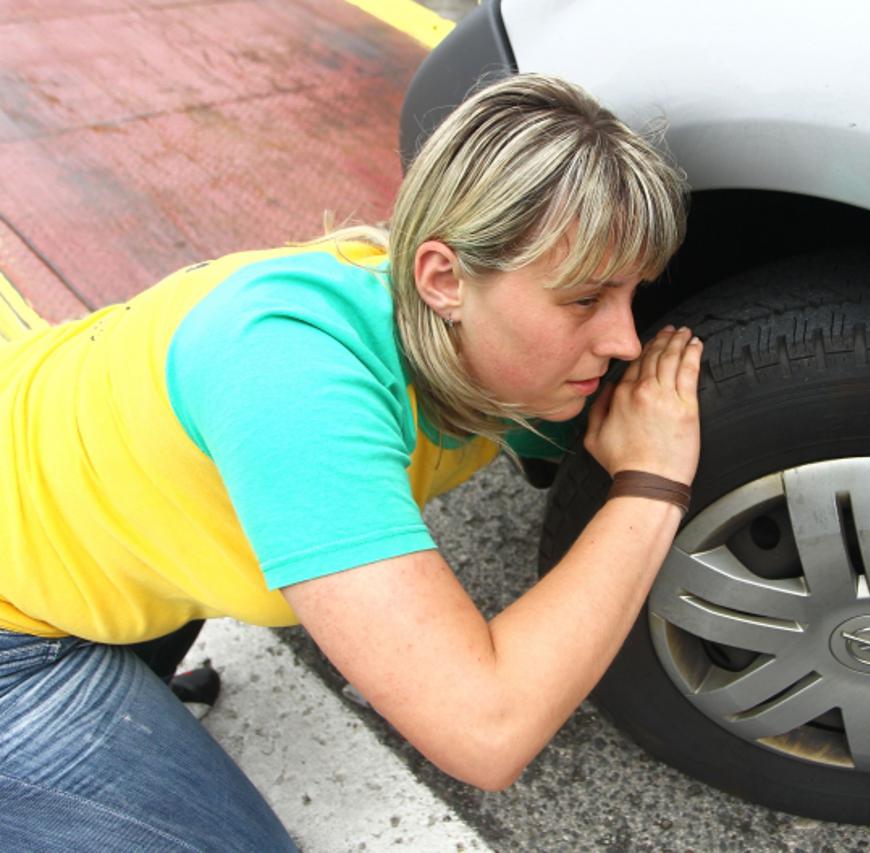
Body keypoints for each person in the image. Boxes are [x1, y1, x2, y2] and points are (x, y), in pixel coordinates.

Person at [0, 73, 698, 850]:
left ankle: (130, 683)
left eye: (632, 298)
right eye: (583, 301)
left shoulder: (472, 338)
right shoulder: (296, 380)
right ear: (443, 279)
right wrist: (649, 486)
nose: (626, 342)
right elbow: (485, 727)